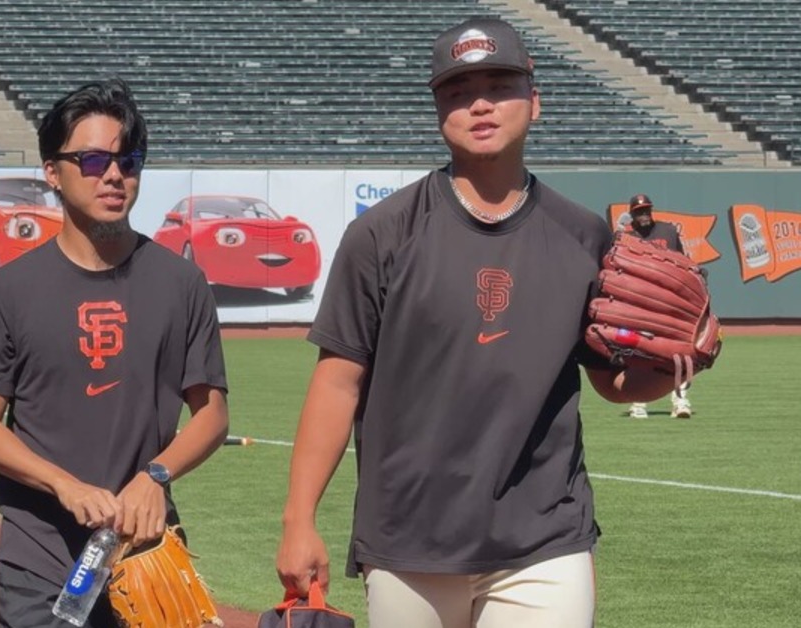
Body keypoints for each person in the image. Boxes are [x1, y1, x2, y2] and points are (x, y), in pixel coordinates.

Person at [275, 17, 681, 628]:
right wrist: (298, 520)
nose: (480, 103)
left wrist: (677, 361)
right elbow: (337, 383)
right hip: (409, 537)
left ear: (534, 101)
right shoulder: (381, 234)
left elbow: (613, 381)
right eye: (459, 90)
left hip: (544, 537)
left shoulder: (584, 236)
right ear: (439, 108)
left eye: (499, 85)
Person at [0, 78, 230, 628]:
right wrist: (63, 484)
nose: (114, 175)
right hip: (40, 564)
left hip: (146, 559)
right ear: (53, 172)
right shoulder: (11, 289)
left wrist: (156, 476)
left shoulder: (181, 283)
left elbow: (213, 414)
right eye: (94, 160)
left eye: (129, 161)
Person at [621, 193, 693, 419]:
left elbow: (682, 262)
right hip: (640, 305)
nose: (644, 215)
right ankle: (638, 402)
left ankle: (680, 401)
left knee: (678, 353)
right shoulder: (625, 238)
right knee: (639, 352)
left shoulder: (668, 231)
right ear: (632, 215)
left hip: (669, 302)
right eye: (639, 212)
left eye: (646, 210)